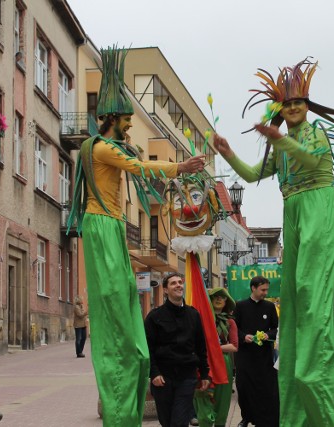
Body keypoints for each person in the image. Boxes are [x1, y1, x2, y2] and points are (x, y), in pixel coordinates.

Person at [214, 58, 334, 427]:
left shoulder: (315, 134)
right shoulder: (280, 146)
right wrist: (227, 151)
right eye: (288, 105)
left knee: (311, 289)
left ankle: (317, 374)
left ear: (307, 106)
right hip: (291, 210)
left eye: (299, 103)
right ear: (282, 109)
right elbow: (251, 174)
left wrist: (280, 138)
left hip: (317, 205)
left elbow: (310, 163)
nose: (293, 109)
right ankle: (297, 391)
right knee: (294, 294)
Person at [67, 48, 206, 426]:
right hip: (101, 224)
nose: (130, 127)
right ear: (110, 119)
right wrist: (180, 165)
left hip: (109, 225)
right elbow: (139, 167)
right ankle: (120, 368)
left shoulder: (106, 146)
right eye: (127, 120)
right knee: (114, 296)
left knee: (124, 295)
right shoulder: (100, 148)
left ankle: (129, 357)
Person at [145, 273, 210, 427]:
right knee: (166, 421)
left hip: (187, 376)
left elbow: (201, 346)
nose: (178, 285)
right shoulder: (154, 316)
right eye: (173, 283)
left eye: (180, 282)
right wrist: (154, 373)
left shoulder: (193, 314)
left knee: (179, 422)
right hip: (163, 378)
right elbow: (149, 347)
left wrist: (205, 373)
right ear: (165, 290)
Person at [234, 276, 279, 427]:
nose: (265, 293)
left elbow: (275, 328)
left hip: (264, 355)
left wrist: (268, 335)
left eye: (267, 289)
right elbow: (234, 329)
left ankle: (265, 418)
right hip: (245, 355)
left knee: (265, 388)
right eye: (263, 290)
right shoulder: (240, 306)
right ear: (253, 288)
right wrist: (243, 337)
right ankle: (246, 417)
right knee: (244, 387)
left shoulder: (269, 307)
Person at [194, 287, 238, 427]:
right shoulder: (200, 320)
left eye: (223, 297)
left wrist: (213, 348)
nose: (219, 299)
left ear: (226, 301)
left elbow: (234, 346)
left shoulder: (230, 322)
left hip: (223, 363)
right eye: (216, 296)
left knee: (222, 401)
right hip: (203, 361)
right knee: (202, 397)